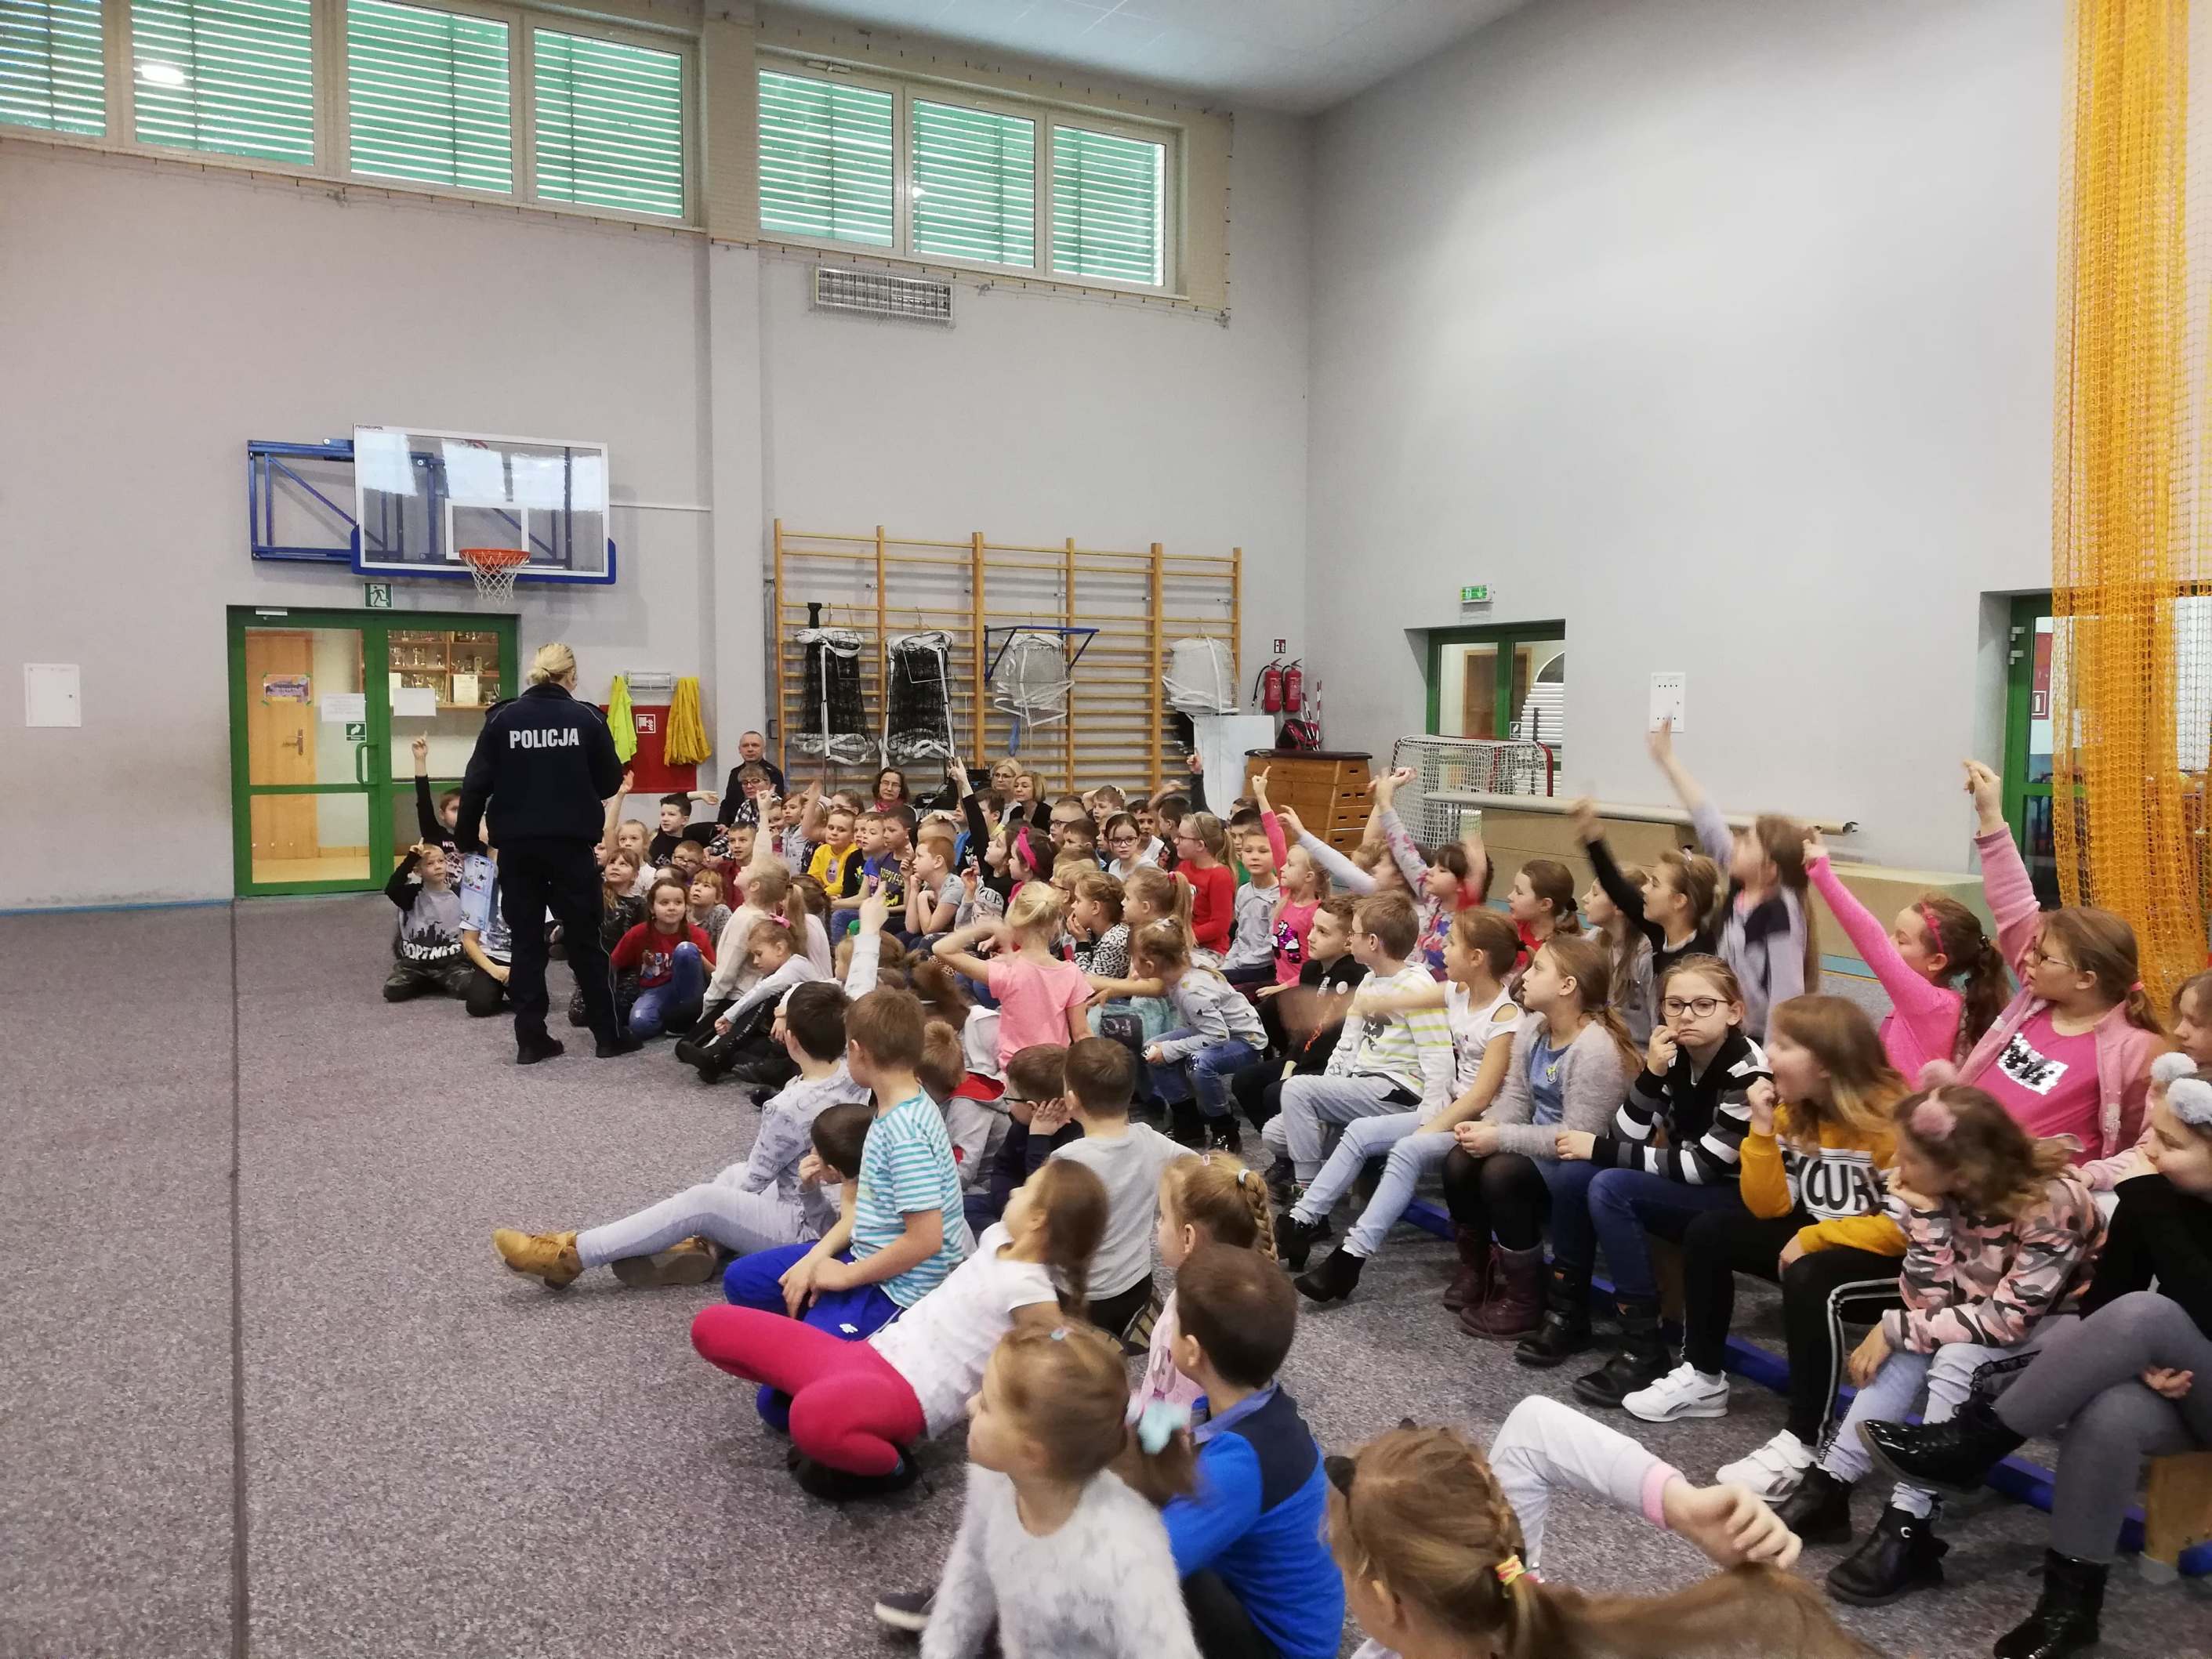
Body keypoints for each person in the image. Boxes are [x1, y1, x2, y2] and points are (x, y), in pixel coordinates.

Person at [1858, 1051, 2212, 1658]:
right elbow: (2105, 1308)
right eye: (2154, 1136)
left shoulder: (2150, 1199)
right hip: (2185, 1379)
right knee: (2111, 1414)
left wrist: (2156, 1330)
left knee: (2149, 1315)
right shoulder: (2152, 1195)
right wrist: (2143, 1358)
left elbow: (2177, 1307)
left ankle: (1973, 1445)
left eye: (2173, 1144)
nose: (2151, 1151)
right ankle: (2069, 1608)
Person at [1775, 1082, 2104, 1608]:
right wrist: (1926, 1225)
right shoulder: (1937, 1195)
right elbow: (1926, 1302)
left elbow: (2008, 1322)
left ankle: (1911, 1525)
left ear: (1962, 1169)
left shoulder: (2051, 1203)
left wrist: (1894, 1327)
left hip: (2068, 1329)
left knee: (1951, 1352)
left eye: (1908, 1160)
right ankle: (1831, 1485)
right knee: (1912, 1342)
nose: (1897, 1172)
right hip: (1989, 1316)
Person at [692, 1158, 1107, 1501]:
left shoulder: (1029, 1288)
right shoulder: (998, 1237)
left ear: (1037, 1219)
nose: (1012, 1192)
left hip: (910, 1393)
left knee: (811, 1420)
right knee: (712, 1327)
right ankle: (837, 1425)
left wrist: (999, 1395)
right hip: (870, 1352)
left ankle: (896, 1468)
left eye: (1025, 1189)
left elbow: (1055, 1349)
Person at [1638, 998, 1909, 1505]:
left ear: (1826, 1063)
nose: (1768, 1056)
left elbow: (1904, 1229)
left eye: (1783, 1046)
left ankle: (1806, 1441)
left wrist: (1813, 1237)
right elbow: (1768, 1207)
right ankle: (1703, 1374)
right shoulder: (1794, 1112)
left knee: (1812, 1274)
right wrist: (1762, 1129)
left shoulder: (1891, 1120)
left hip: (1900, 1263)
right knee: (1711, 1230)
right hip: (1827, 1240)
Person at [1326, 1415, 1875, 1659]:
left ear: (1383, 1598)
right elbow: (1536, 1428)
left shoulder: (1503, 1600)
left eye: (1340, 1557)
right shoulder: (1508, 1592)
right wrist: (1683, 1505)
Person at [491, 981, 869, 1288]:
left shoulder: (787, 1109)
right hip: (832, 1201)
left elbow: (755, 1183)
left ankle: (571, 1255)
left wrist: (701, 1214)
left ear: (791, 1040)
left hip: (810, 1226)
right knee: (733, 1175)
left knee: (703, 1200)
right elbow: (860, 984)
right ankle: (705, 1249)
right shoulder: (851, 1073)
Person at [1528, 957, 1769, 1402]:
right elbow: (1627, 1135)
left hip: (1741, 1196)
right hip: (1693, 1180)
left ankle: (1643, 1345)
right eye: (1674, 1005)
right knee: (1577, 1175)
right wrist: (1653, 1072)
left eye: (1703, 1004)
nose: (1686, 1016)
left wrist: (1597, 1148)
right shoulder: (1672, 1053)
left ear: (1734, 1013)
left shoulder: (1748, 1070)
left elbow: (1703, 1167)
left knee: (1609, 1184)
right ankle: (1568, 1314)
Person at [896, 1323, 1202, 1657]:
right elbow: (971, 1567)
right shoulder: (992, 1480)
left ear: (1032, 1453)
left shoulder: (1123, 1556)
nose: (970, 1405)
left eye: (986, 1405)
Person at [1278, 908, 1528, 1305]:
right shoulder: (1457, 991)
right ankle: (1302, 1219)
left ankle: (1351, 1258)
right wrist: (1343, 1007)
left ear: (1477, 957)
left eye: (1451, 944)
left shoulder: (1506, 1018)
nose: (1441, 949)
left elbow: (1481, 1097)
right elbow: (1402, 999)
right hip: (1451, 1112)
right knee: (1360, 1131)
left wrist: (1429, 1127)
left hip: (1479, 1121)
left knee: (1408, 1149)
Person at [1953, 759, 2164, 1181]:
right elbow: (2013, 904)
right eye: (2033, 950)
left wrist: (2091, 1178)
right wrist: (1989, 813)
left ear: (2086, 979)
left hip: (2028, 1198)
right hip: (1961, 1165)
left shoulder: (2138, 1050)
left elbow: (2151, 1147)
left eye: (2043, 956)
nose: (2025, 960)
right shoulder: (2038, 996)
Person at [718, 987, 970, 1338]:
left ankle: (845, 1336)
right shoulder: (893, 1103)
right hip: (868, 1249)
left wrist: (847, 1276)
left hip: (901, 1289)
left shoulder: (905, 1131)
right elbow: (862, 1214)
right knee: (743, 1280)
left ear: (856, 1050)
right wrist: (814, 1260)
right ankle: (821, 1326)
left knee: (782, 1393)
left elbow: (927, 1240)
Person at [1427, 935, 1637, 1340]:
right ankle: (1480, 1271)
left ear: (1567, 986)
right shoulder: (1535, 1030)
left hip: (1579, 1158)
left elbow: (1579, 1135)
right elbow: (1517, 1100)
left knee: (1501, 1172)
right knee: (1460, 1159)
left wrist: (1501, 1137)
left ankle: (1527, 1298)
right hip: (1536, 1142)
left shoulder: (1594, 1047)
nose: (1526, 975)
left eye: (1539, 968)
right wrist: (1488, 1127)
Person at [452, 642, 633, 1063]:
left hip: (517, 849)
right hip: (571, 848)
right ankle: (608, 1036)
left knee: (527, 944)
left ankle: (531, 1039)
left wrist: (466, 843)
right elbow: (609, 783)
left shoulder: (502, 718)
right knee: (586, 942)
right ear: (570, 675)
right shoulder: (587, 717)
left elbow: (475, 783)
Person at [1263, 893, 1456, 1208]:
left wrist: (1429, 1121)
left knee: (1297, 1090)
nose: (1350, 939)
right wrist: (1326, 1093)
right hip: (1362, 1087)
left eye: (1354, 933)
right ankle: (1334, 1178)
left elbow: (1438, 1058)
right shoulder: (1368, 982)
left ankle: (1307, 1195)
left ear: (1374, 942)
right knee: (1276, 1133)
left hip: (1398, 1091)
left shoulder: (1416, 988)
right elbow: (1346, 1048)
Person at [1645, 719, 1815, 1038]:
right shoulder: (1743, 884)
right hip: (1728, 1029)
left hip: (1760, 1040)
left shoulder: (1780, 911)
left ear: (1770, 868)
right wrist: (1668, 760)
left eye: (1747, 843)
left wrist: (1770, 1064)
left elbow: (1786, 998)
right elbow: (1707, 819)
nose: (1734, 843)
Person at [1801, 829, 2003, 1078]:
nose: (1889, 942)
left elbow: (1871, 939)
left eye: (1901, 940)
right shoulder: (1932, 1002)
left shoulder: (1929, 1004)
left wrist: (1824, 875)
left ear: (1936, 961)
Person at [1044, 1038, 1184, 1341]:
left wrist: (1038, 1140)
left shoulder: (1067, 1159)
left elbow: (1038, 1224)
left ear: (1071, 1098)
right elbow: (1199, 1165)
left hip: (1080, 1295)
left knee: (1084, 1366)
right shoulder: (1150, 1140)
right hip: (1137, 1283)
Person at [1142, 1154, 1275, 1415]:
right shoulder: (1236, 1295)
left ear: (1188, 1238)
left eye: (1164, 1217)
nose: (1158, 1224)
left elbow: (1183, 1410)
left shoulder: (1194, 1321)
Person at [1572, 797, 1721, 994]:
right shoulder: (1659, 931)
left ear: (1679, 901)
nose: (1644, 889)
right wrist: (1592, 835)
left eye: (1655, 884)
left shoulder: (1698, 960)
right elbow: (1615, 886)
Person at [935, 885, 1093, 1068]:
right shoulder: (1071, 973)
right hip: (1054, 1071)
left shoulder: (1006, 970)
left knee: (975, 1017)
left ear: (1014, 924)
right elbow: (1082, 1034)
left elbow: (941, 949)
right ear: (1055, 925)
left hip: (1015, 1070)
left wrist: (987, 926)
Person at [609, 873, 715, 1040]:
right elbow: (613, 964)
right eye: (664, 903)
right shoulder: (638, 933)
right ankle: (670, 1020)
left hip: (691, 993)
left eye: (678, 902)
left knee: (686, 950)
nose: (672, 908)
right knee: (639, 1024)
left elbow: (715, 975)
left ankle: (687, 1019)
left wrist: (698, 957)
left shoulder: (698, 935)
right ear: (652, 908)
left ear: (686, 907)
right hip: (655, 990)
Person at [381, 842, 470, 1002]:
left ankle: (436, 981)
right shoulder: (411, 895)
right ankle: (429, 981)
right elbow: (392, 888)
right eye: (430, 863)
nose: (438, 867)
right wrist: (411, 858)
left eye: (441, 861)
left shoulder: (459, 894)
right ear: (418, 871)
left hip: (451, 964)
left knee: (469, 988)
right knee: (392, 991)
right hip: (416, 964)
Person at [1173, 813, 1237, 957]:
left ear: (1200, 845)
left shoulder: (1220, 876)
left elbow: (1219, 926)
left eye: (1182, 838)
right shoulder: (1184, 866)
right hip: (1183, 941)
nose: (1176, 841)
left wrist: (1182, 938)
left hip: (1209, 950)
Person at [715, 728, 786, 813]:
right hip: (736, 821)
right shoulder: (735, 772)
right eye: (745, 746)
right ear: (739, 750)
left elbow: (776, 806)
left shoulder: (774, 773)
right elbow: (728, 803)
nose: (750, 749)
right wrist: (722, 824)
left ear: (764, 749)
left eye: (755, 745)